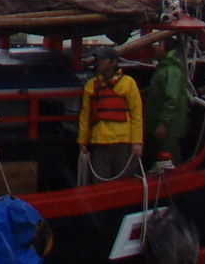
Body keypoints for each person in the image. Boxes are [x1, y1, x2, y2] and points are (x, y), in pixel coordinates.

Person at [77, 45, 143, 184]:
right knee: (100, 182)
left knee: (124, 182)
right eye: (98, 59)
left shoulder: (128, 83)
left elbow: (136, 113)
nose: (99, 62)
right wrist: (83, 141)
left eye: (102, 59)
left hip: (123, 142)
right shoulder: (91, 85)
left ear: (113, 62)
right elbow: (85, 116)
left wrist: (137, 143)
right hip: (100, 141)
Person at [143, 36, 190, 173]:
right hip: (159, 126)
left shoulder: (171, 70)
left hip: (168, 129)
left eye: (159, 44)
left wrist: (163, 124)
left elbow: (172, 98)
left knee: (169, 163)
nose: (156, 47)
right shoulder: (163, 68)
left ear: (166, 50)